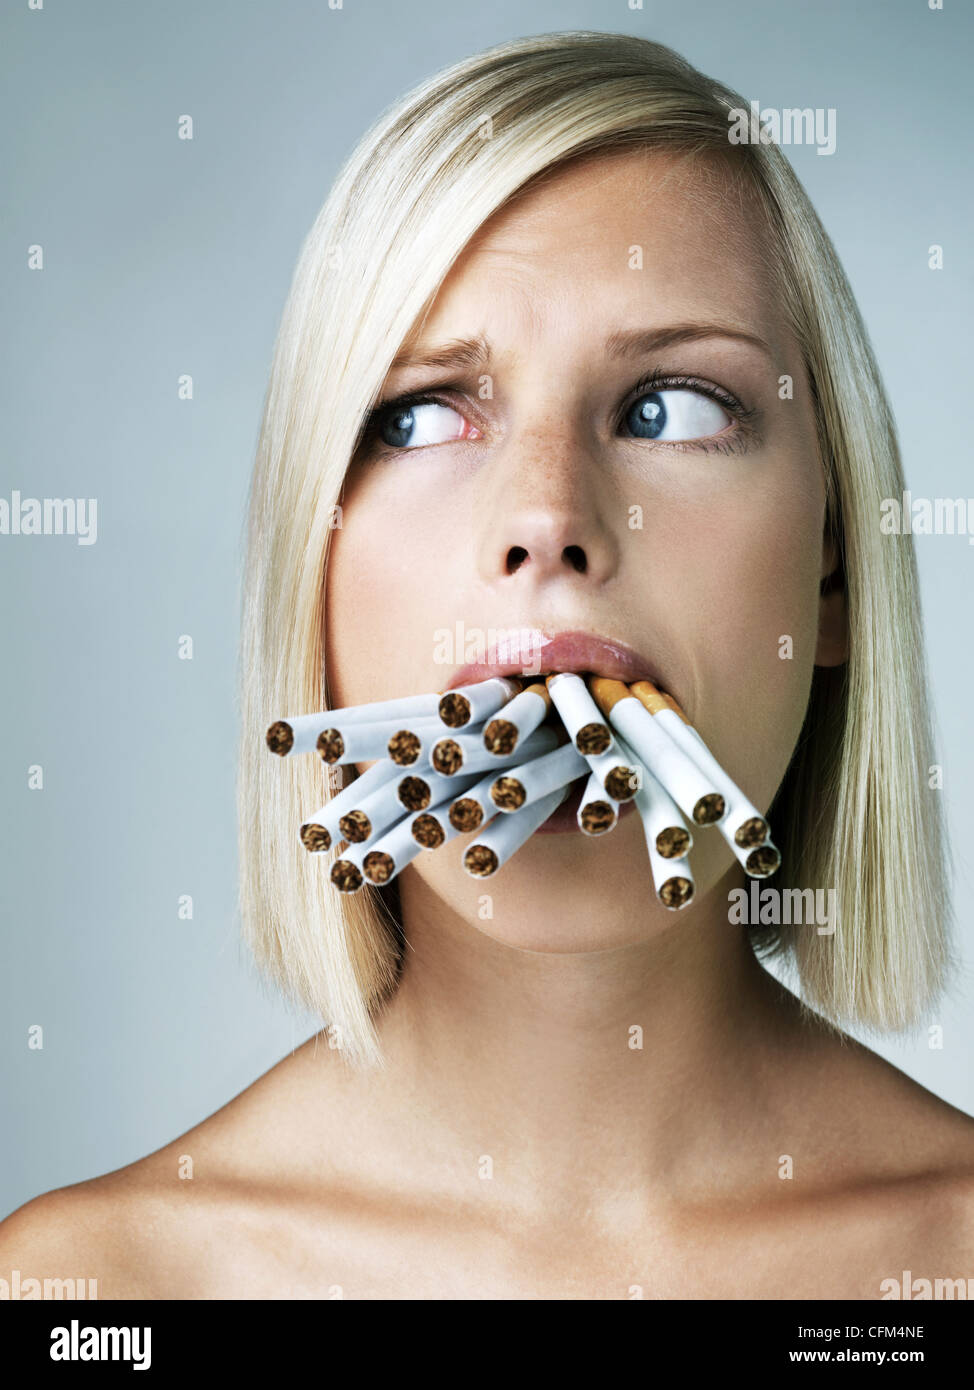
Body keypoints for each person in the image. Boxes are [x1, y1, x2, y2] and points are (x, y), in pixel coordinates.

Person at [3, 31, 972, 1300]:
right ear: (310, 572)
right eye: (418, 416)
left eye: (671, 406)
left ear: (832, 577)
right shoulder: (92, 1296)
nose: (546, 515)